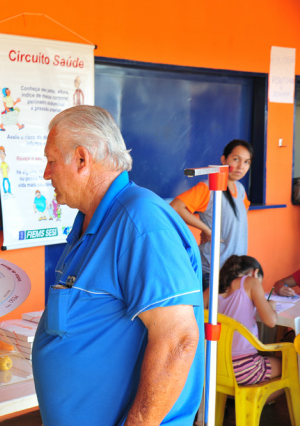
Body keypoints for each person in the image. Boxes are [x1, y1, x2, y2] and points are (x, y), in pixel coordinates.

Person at [32, 105, 204, 426]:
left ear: (82, 160)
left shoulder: (141, 220)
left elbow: (179, 338)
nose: (46, 173)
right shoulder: (91, 219)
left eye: (52, 161)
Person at [170, 139, 253, 290]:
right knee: (211, 313)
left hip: (236, 270)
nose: (241, 166)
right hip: (214, 270)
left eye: (247, 162)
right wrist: (207, 229)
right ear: (223, 159)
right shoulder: (208, 187)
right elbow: (175, 207)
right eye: (236, 159)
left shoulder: (240, 189)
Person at [215, 255, 281, 385]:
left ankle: (234, 399)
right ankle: (250, 402)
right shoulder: (251, 281)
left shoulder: (213, 289)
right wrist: (270, 306)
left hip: (215, 367)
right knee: (289, 363)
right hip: (244, 368)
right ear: (255, 272)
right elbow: (271, 321)